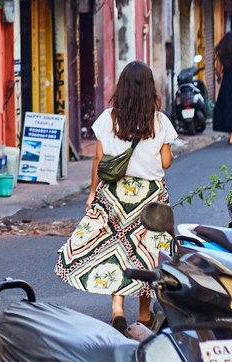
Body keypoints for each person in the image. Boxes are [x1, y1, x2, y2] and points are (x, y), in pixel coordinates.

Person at [55, 61, 177, 334]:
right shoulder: (160, 121)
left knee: (115, 250)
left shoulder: (108, 118)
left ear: (121, 87)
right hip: (149, 197)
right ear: (149, 89)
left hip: (114, 195)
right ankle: (144, 314)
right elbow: (166, 162)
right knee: (148, 254)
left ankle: (118, 309)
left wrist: (90, 194)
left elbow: (99, 160)